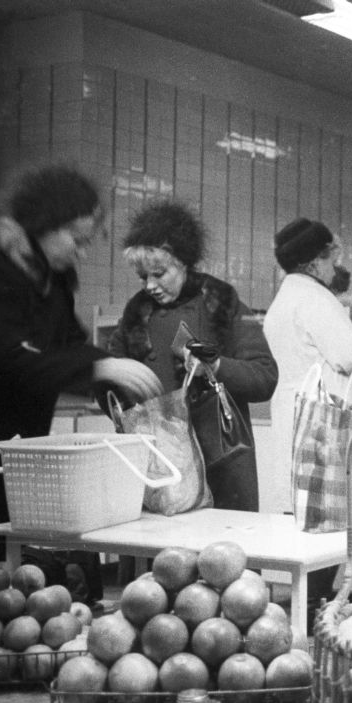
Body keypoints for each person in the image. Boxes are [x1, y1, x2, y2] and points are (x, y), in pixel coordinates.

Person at [0, 163, 163, 588]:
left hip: (11, 456)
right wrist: (100, 366)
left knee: (1, 581)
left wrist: (116, 380)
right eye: (77, 239)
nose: (82, 252)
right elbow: (10, 358)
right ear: (43, 225)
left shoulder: (49, 280)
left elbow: (69, 344)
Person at [108, 199, 277, 510]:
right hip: (161, 469)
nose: (150, 286)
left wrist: (216, 365)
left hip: (222, 466)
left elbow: (265, 377)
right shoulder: (136, 314)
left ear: (184, 262)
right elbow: (110, 393)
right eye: (143, 277)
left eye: (159, 273)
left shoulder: (221, 302)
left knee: (219, 554)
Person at [263, 218, 352, 512]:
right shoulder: (315, 298)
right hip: (320, 418)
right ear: (314, 263)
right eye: (332, 260)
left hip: (293, 411)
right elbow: (351, 355)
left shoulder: (286, 297)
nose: (334, 268)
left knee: (297, 507)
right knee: (326, 511)